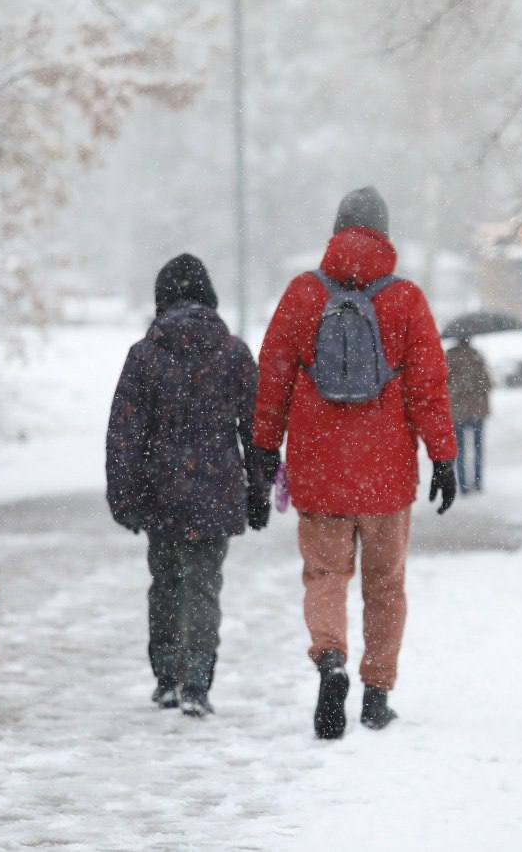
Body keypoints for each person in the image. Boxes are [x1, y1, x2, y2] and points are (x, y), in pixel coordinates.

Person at [250, 186, 458, 740]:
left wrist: (263, 451)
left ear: (337, 228)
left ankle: (331, 661)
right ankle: (376, 693)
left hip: (318, 468)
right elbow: (429, 388)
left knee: (325, 576)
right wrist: (443, 457)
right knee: (385, 585)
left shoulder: (303, 294)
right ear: (384, 234)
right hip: (387, 472)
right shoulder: (406, 299)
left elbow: (271, 378)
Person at [105, 253, 270, 719]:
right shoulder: (234, 352)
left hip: (162, 492)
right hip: (217, 491)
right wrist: (258, 492)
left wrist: (125, 497)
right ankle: (197, 681)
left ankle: (166, 678)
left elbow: (124, 434)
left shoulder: (144, 355)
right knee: (203, 587)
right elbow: (257, 430)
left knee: (165, 584)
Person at [445, 336, 493, 494]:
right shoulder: (476, 357)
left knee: (459, 450)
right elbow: (487, 383)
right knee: (478, 448)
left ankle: (464, 485)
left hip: (457, 411)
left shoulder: (449, 358)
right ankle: (478, 483)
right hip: (476, 410)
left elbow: (442, 383)